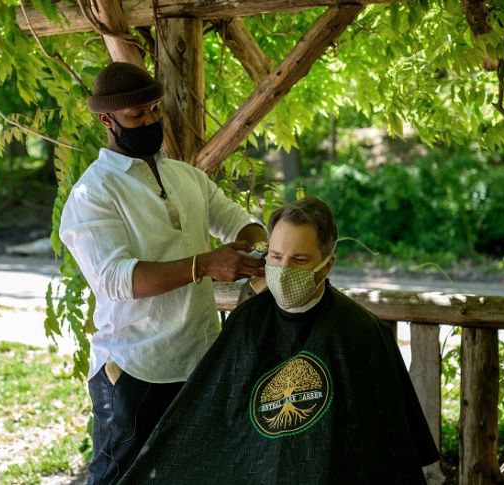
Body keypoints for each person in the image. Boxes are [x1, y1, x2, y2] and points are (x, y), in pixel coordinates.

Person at [119, 196, 441, 484]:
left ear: (327, 265)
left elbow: (385, 448)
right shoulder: (246, 323)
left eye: (299, 261)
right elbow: (209, 423)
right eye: (275, 257)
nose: (284, 270)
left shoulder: (360, 331)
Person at [58, 61, 268, 485]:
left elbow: (242, 224)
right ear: (106, 120)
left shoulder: (187, 177)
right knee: (120, 479)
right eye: (137, 115)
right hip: (133, 368)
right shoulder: (93, 192)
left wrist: (258, 250)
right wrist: (205, 264)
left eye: (155, 110)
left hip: (199, 360)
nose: (151, 120)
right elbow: (117, 280)